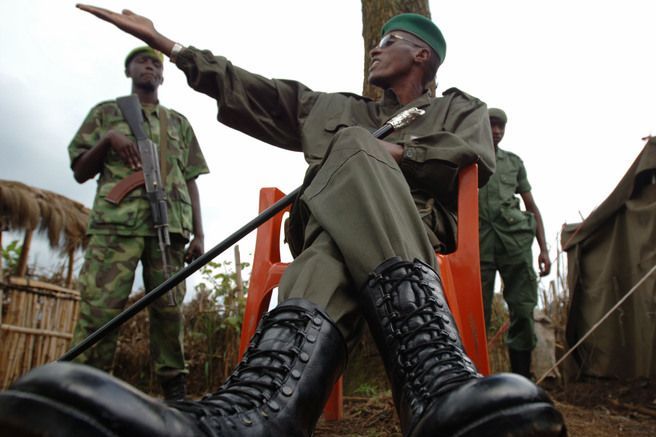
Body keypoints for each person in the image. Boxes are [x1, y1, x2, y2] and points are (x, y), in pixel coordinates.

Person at [0, 7, 565, 437]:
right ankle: (435, 383)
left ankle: (257, 409)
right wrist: (166, 44)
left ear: (423, 56)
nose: (376, 46)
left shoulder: (458, 108)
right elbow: (250, 89)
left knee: (337, 212)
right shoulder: (331, 108)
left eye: (390, 40)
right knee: (339, 186)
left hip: (415, 227)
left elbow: (471, 160)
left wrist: (385, 154)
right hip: (331, 227)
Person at [66, 46, 209, 401]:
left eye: (156, 63)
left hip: (170, 230)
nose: (149, 66)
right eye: (142, 61)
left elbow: (190, 178)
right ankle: (83, 390)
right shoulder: (105, 113)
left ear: (162, 76)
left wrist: (200, 234)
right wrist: (109, 140)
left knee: (169, 313)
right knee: (99, 309)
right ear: (129, 70)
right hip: (117, 228)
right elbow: (80, 171)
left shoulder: (178, 123)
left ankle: (175, 394)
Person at [479, 108, 551, 378]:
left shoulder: (513, 162)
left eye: (501, 127)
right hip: (478, 247)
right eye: (492, 125)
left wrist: (544, 250)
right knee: (476, 315)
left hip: (515, 243)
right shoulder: (466, 157)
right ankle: (472, 380)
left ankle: (523, 379)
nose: (497, 131)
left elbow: (531, 206)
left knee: (522, 309)